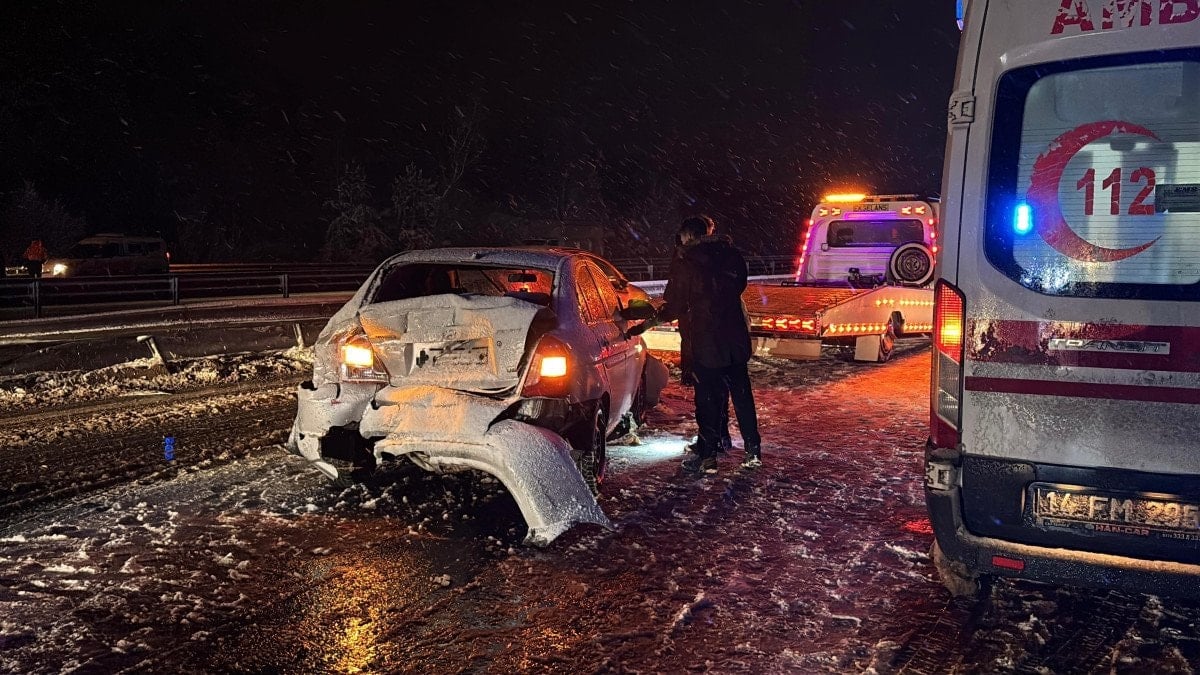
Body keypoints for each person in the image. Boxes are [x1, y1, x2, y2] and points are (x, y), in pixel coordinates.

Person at [659, 215, 762, 473]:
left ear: (689, 235)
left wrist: (658, 314)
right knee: (742, 395)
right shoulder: (731, 255)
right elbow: (739, 286)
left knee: (707, 399)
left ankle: (708, 457)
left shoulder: (687, 260)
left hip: (706, 340)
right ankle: (753, 450)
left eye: (682, 236)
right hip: (734, 337)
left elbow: (676, 301)